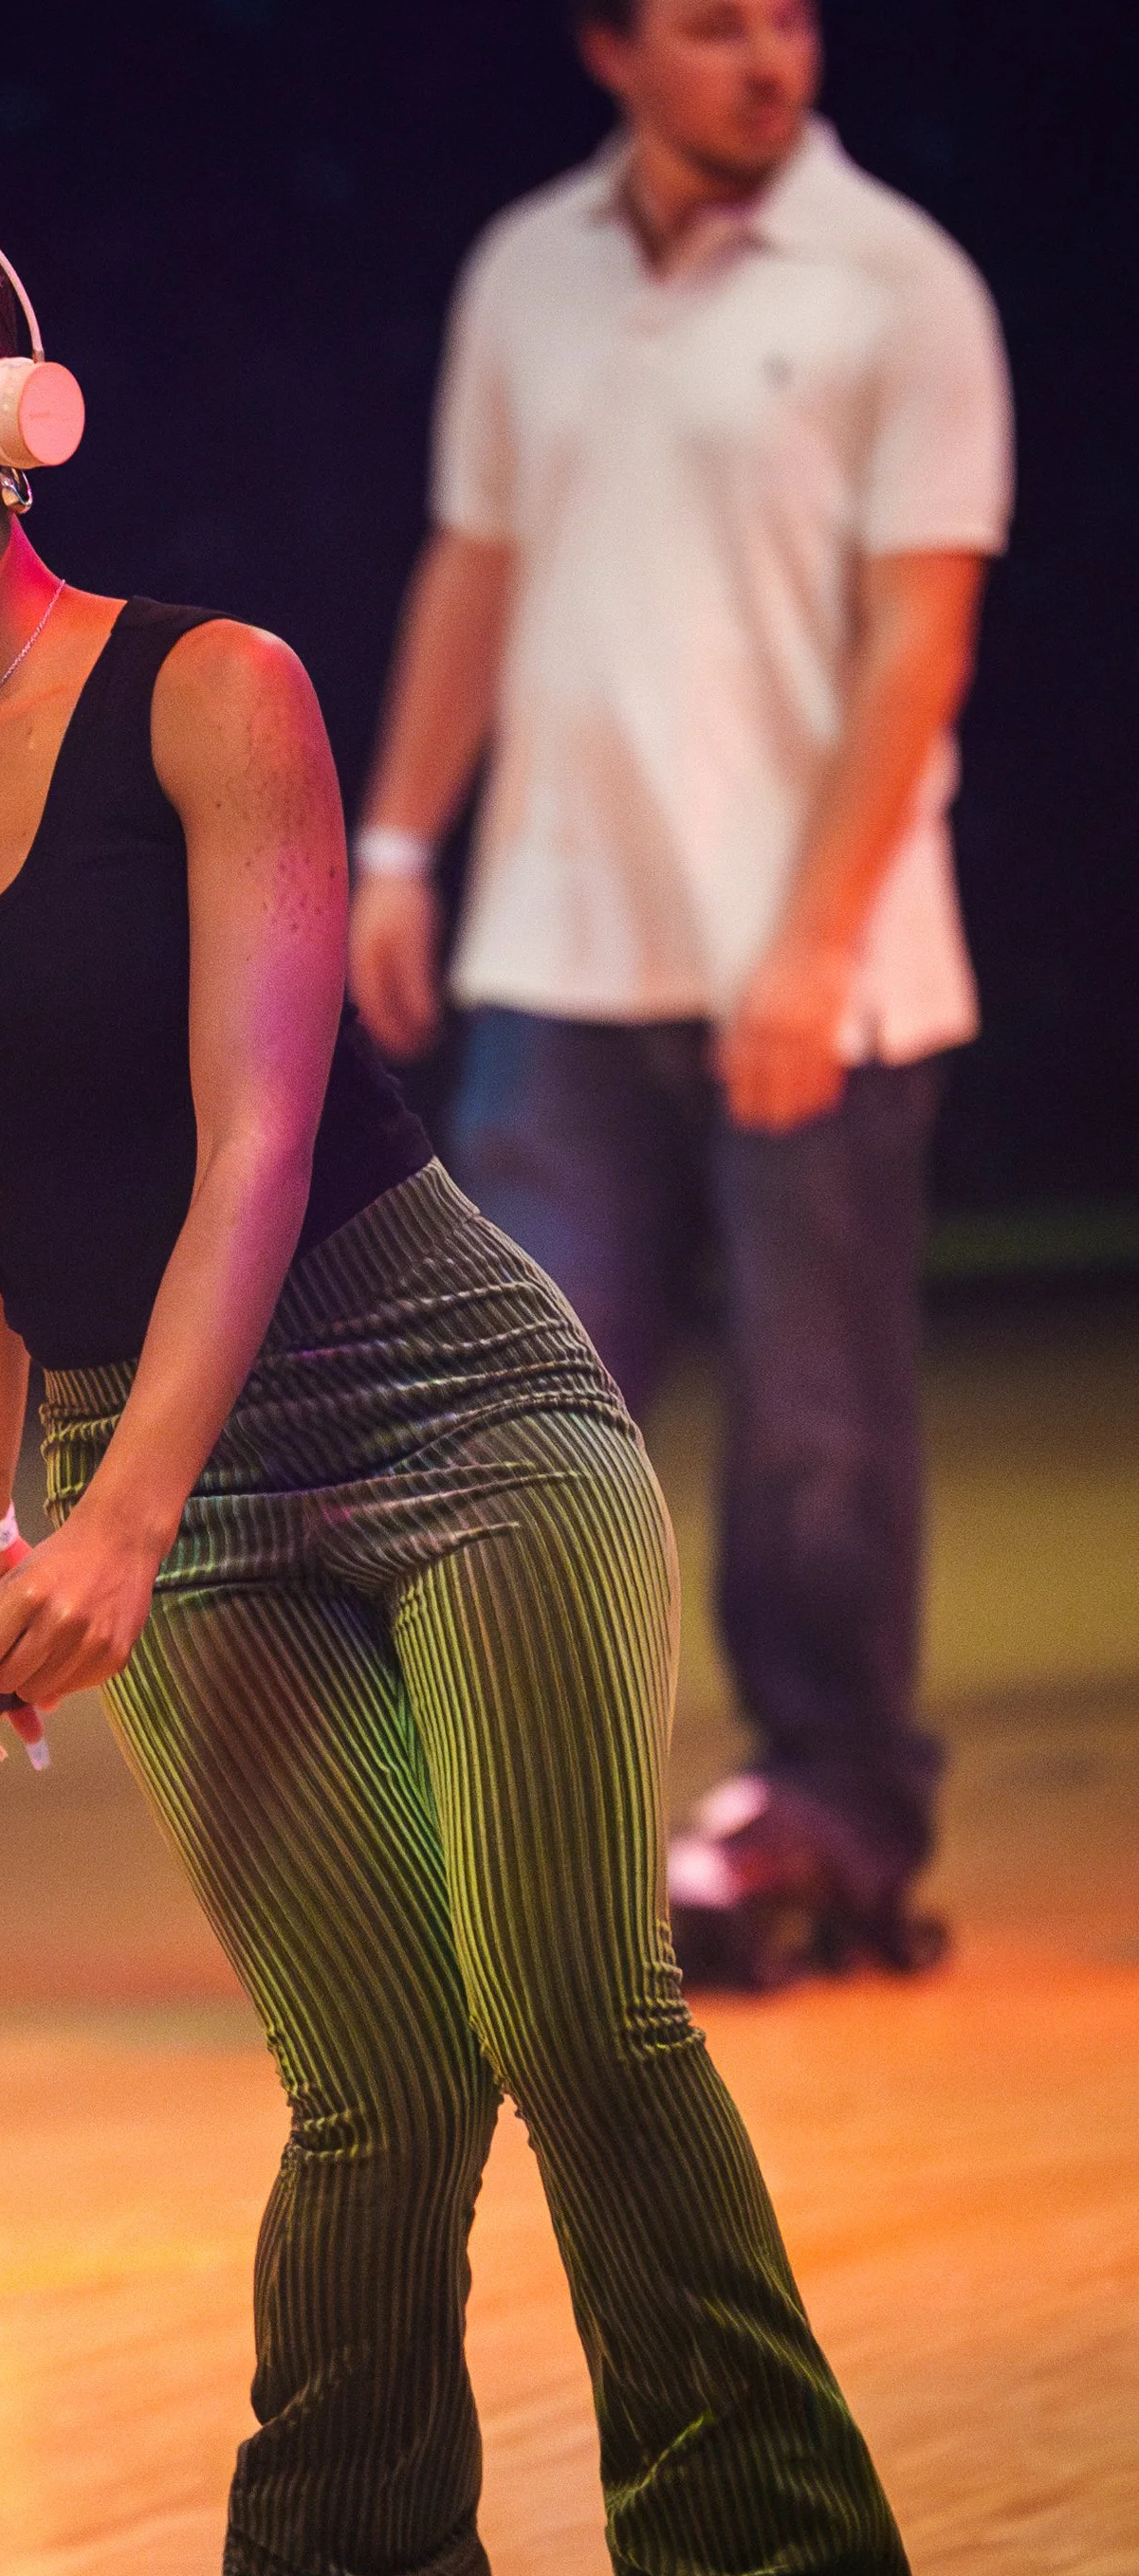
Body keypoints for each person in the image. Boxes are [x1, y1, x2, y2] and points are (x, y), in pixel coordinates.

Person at [0, 187, 919, 2576]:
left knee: (576, 2008)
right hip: (169, 1482)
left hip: (449, 1407)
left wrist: (123, 1513)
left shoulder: (204, 687)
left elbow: (260, 1122)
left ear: (11, 417)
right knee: (375, 2079)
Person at [347, 0, 1013, 1990]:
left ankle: (828, 1806)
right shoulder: (522, 270)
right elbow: (473, 561)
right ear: (609, 47)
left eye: (791, 22)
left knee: (812, 1424)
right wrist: (394, 839)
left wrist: (807, 945)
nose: (768, 63)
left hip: (813, 971)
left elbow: (916, 644)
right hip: (562, 946)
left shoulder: (897, 283)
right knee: (522, 1420)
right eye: (716, 26)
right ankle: (524, 1824)